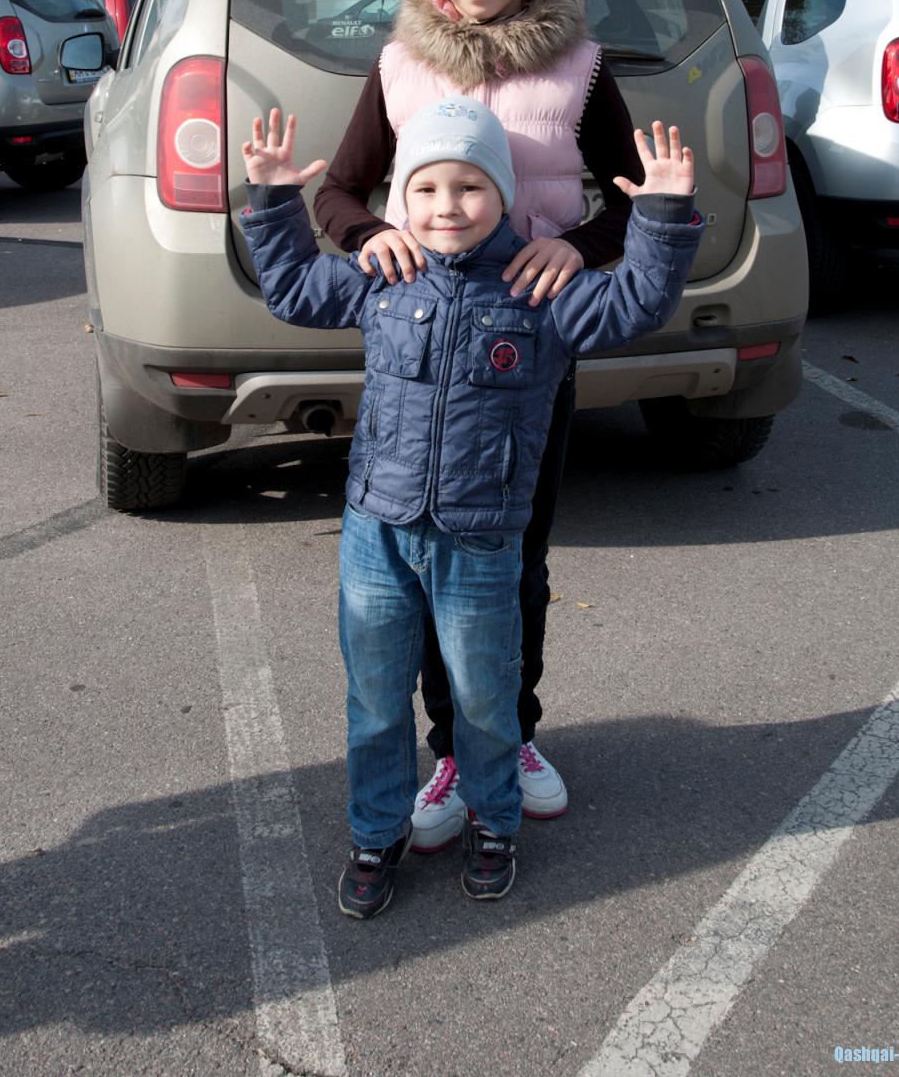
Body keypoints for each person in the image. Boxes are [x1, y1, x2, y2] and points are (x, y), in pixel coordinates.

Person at [242, 98, 701, 917]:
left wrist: (662, 215)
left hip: (481, 538)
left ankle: (494, 823)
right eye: (425, 189)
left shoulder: (540, 286)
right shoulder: (384, 273)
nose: (447, 207)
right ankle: (375, 833)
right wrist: (274, 199)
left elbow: (632, 305)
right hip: (376, 530)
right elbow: (291, 289)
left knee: (486, 697)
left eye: (469, 187)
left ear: (503, 194)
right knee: (375, 698)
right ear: (400, 198)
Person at [313, 0, 648, 846]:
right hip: (420, 367)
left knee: (516, 561)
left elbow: (635, 202)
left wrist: (578, 246)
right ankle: (450, 750)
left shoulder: (581, 68)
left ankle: (513, 734)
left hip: (526, 364)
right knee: (415, 563)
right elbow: (338, 191)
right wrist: (368, 236)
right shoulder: (399, 65)